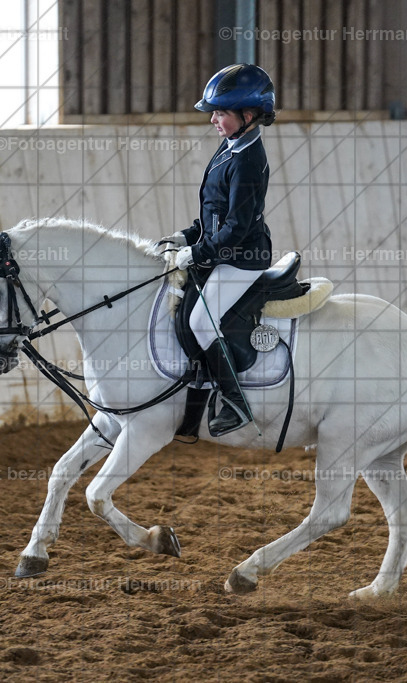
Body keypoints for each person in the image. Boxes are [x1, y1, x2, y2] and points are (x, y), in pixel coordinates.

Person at [158, 63, 277, 437]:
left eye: (220, 112)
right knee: (183, 315)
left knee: (200, 321)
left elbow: (237, 229)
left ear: (248, 115)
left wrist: (198, 253)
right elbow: (214, 213)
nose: (213, 119)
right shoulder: (230, 147)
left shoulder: (248, 159)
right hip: (223, 250)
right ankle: (191, 415)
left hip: (243, 259)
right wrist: (186, 236)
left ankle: (235, 402)